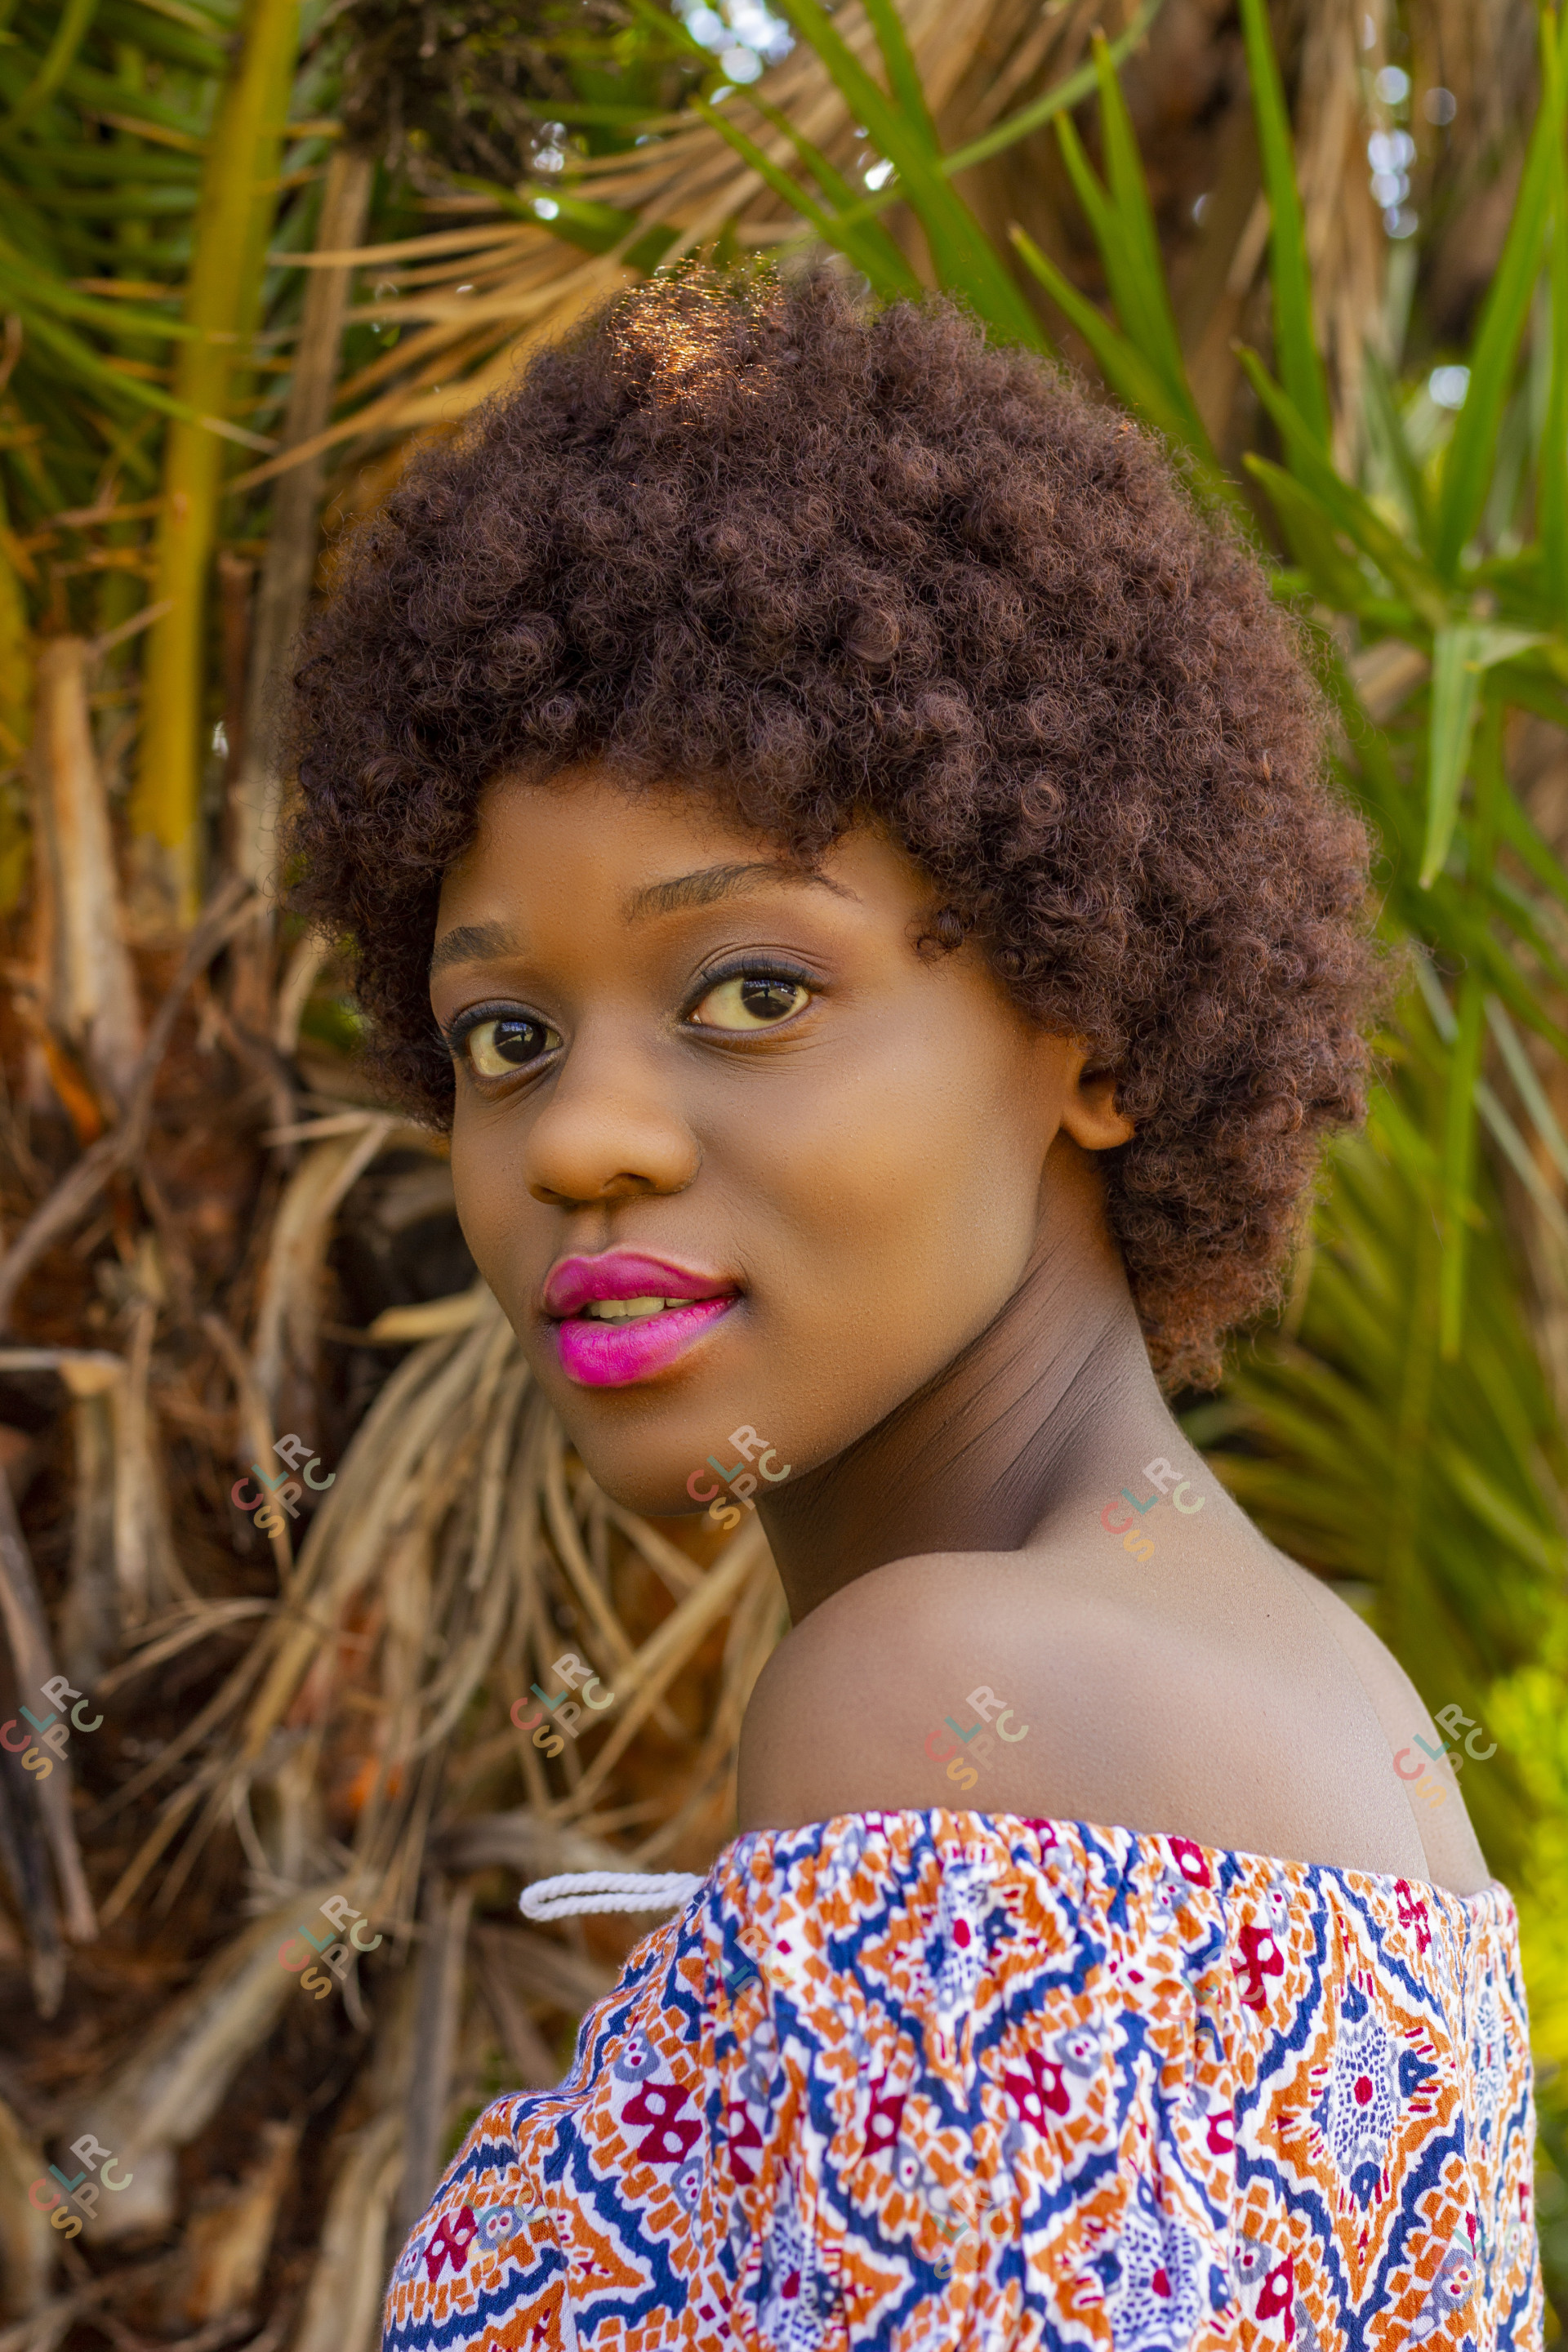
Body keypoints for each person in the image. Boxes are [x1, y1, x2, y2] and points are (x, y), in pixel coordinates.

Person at [290, 265, 1539, 2350]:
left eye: (754, 994)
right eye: (501, 1033)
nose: (584, 1136)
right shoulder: (1315, 1713)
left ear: (1098, 1033)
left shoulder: (959, 1697)